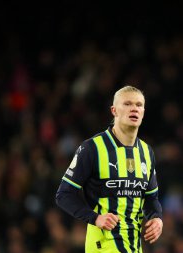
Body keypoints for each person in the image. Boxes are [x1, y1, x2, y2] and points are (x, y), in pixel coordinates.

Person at [56, 85, 163, 252]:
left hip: (134, 246)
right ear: (114, 111)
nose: (134, 108)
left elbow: (151, 198)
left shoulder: (146, 152)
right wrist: (95, 218)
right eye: (127, 104)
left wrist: (157, 218)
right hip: (103, 244)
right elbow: (64, 195)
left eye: (139, 105)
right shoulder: (92, 148)